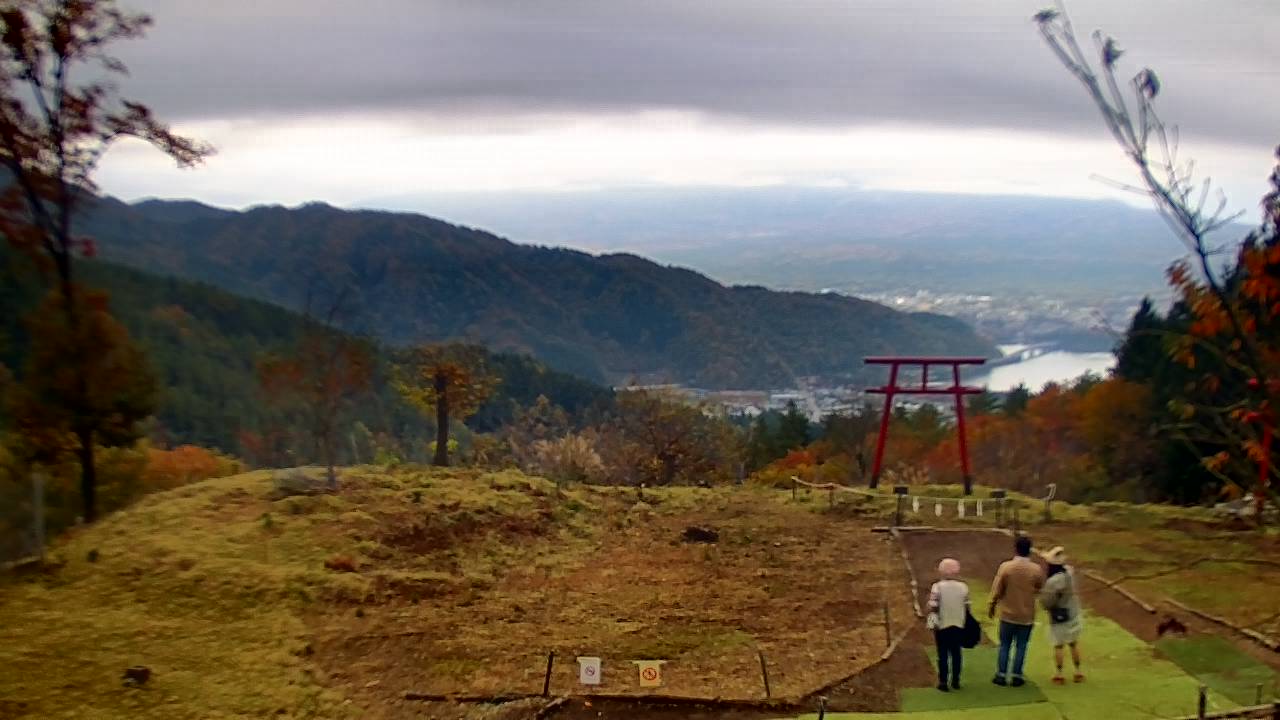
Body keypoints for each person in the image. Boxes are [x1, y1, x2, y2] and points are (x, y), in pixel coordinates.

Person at [988, 534, 1046, 687]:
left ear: (1016, 549)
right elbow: (1040, 587)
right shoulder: (1036, 569)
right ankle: (1017, 675)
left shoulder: (1006, 567)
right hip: (1027, 614)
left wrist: (992, 605)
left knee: (1005, 645)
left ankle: (1001, 675)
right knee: (1021, 646)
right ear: (1030, 550)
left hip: (1007, 614)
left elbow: (997, 589)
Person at [1040, 546, 1084, 684]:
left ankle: (1059, 674)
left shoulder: (1053, 582)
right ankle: (1078, 672)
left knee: (1058, 645)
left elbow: (1047, 601)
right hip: (1073, 612)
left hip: (1059, 616)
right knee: (1073, 643)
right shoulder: (1069, 573)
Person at [927, 557, 970, 692]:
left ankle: (943, 681)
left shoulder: (937, 587)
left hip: (942, 624)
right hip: (958, 624)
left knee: (943, 654)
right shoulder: (963, 587)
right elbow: (967, 606)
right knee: (956, 653)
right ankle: (956, 680)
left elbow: (933, 606)